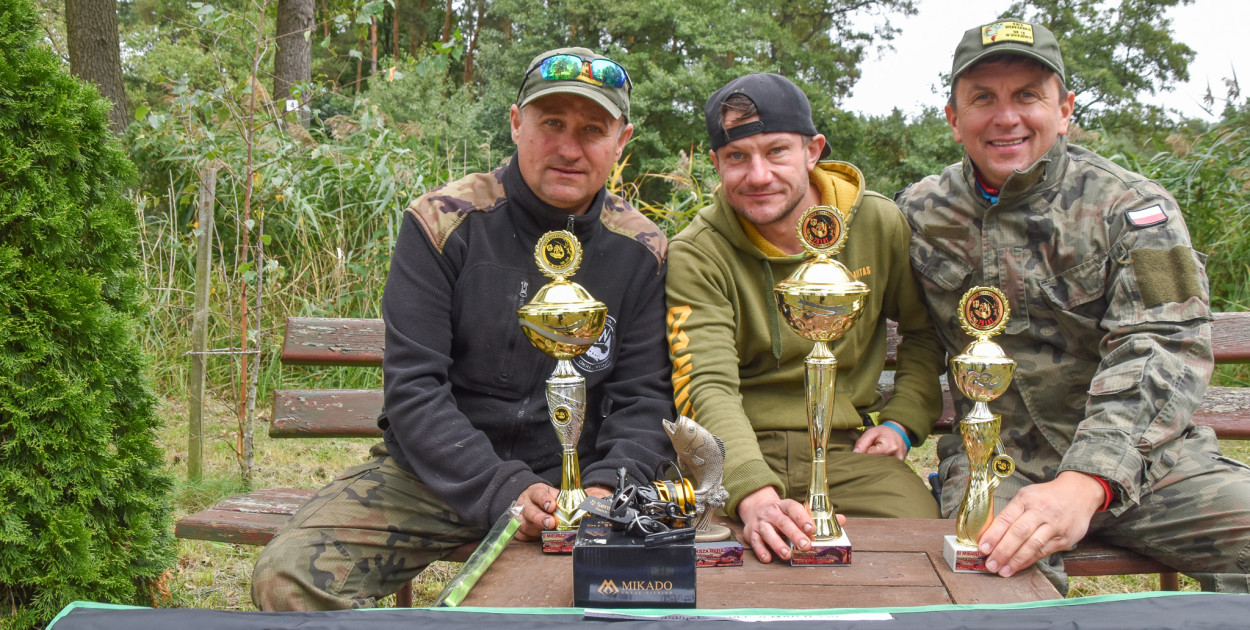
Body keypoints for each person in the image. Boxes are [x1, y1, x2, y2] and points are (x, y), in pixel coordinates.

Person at [252, 47, 677, 610]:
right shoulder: (441, 221)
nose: (569, 148)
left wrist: (603, 491)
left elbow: (645, 396)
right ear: (516, 123)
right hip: (436, 475)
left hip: (583, 482)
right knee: (287, 579)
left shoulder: (642, 249)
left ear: (621, 141)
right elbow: (414, 391)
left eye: (592, 129)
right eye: (551, 123)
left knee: (661, 596)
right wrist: (504, 489)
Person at [896, 19, 1250, 591]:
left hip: (1147, 463)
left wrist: (1087, 481)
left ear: (1065, 111)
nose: (1006, 116)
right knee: (988, 581)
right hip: (998, 462)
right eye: (983, 98)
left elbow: (1163, 345)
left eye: (1028, 96)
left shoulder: (1134, 208)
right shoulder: (917, 213)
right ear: (953, 118)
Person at [666, 73, 945, 564]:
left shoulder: (877, 223)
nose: (758, 175)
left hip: (848, 454)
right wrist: (752, 491)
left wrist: (904, 420)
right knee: (703, 560)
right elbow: (706, 382)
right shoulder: (698, 251)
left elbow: (923, 331)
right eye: (737, 157)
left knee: (914, 543)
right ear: (715, 164)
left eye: (777, 151)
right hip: (737, 451)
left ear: (812, 151)